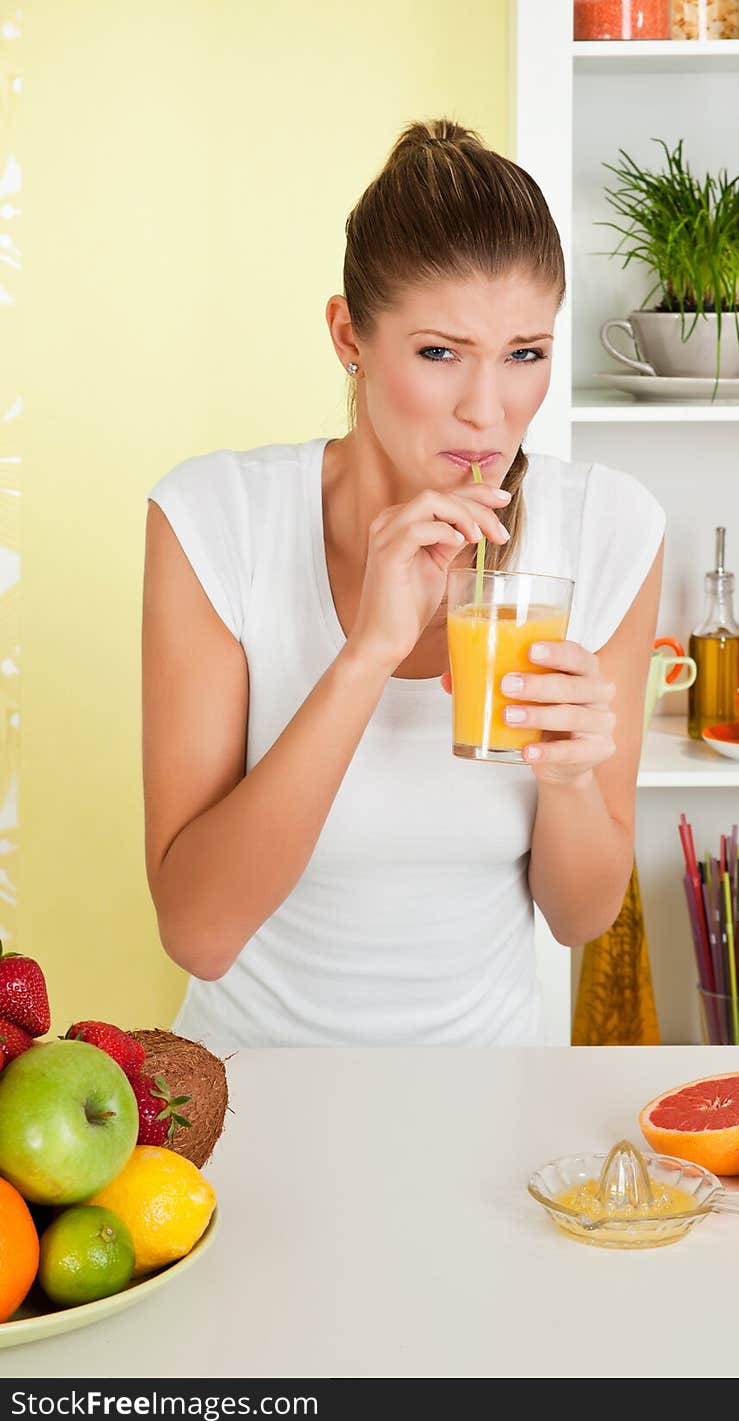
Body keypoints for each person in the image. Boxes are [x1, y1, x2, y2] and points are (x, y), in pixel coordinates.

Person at [141, 118, 665, 1052]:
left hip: (492, 1107)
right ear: (349, 335)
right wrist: (367, 656)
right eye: (439, 353)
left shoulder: (610, 529)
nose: (488, 408)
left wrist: (573, 779)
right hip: (250, 1091)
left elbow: (580, 919)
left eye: (525, 354)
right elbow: (199, 934)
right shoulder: (216, 518)